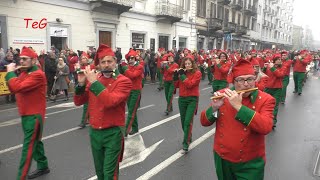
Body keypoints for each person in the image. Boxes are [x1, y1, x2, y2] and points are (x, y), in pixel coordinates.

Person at [200, 59, 275, 180]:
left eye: (250, 79)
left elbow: (266, 127)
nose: (246, 84)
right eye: (241, 80)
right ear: (234, 81)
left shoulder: (266, 99)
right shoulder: (223, 94)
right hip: (223, 158)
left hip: (250, 164)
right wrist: (214, 109)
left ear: (255, 79)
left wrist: (238, 107)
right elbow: (204, 122)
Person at [74, 44, 132, 180]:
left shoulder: (124, 81)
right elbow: (78, 101)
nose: (106, 65)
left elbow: (110, 101)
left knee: (109, 174)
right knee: (100, 173)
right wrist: (81, 84)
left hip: (113, 133)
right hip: (95, 132)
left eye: (109, 61)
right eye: (103, 62)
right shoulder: (95, 80)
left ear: (115, 62)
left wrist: (93, 82)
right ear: (98, 64)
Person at [5, 46, 50, 180]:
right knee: (36, 142)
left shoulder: (37, 74)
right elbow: (14, 89)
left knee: (28, 147)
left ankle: (21, 176)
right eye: (21, 59)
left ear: (34, 60)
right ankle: (43, 165)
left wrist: (10, 72)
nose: (22, 61)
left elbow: (15, 86)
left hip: (34, 116)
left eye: (25, 59)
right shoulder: (25, 72)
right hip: (26, 114)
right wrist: (14, 74)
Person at [174, 56, 201, 153]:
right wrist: (175, 76)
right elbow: (176, 86)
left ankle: (185, 144)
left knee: (187, 122)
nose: (187, 65)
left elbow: (190, 84)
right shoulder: (183, 73)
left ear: (192, 64)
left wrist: (182, 75)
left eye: (189, 64)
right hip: (182, 99)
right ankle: (189, 136)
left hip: (192, 99)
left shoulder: (197, 73)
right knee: (183, 122)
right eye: (186, 64)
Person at [122, 49, 144, 136]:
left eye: (132, 58)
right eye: (129, 58)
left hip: (136, 91)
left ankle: (126, 131)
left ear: (135, 58)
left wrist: (125, 68)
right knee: (132, 110)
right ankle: (135, 128)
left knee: (131, 111)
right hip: (128, 91)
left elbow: (133, 75)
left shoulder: (139, 66)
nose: (130, 60)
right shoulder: (127, 67)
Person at [75, 52, 96, 129]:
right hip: (83, 87)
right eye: (82, 58)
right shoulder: (79, 67)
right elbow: (78, 74)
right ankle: (88, 119)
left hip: (90, 87)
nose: (83, 60)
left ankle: (83, 122)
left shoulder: (91, 66)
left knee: (87, 106)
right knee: (86, 105)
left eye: (84, 58)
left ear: (87, 59)